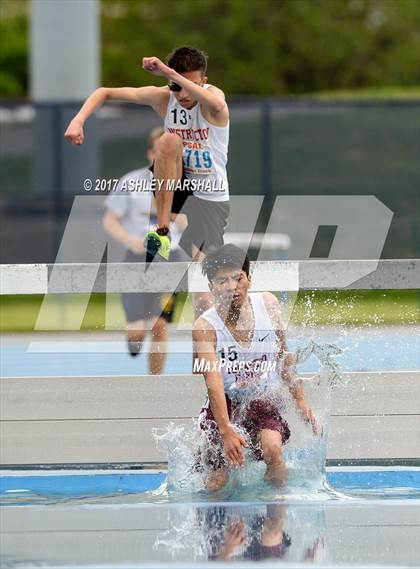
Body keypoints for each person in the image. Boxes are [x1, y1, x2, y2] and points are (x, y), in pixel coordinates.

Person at [65, 46, 230, 315]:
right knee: (167, 141)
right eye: (176, 87)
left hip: (209, 198)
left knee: (205, 299)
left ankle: (216, 340)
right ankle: (162, 230)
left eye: (190, 86)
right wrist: (78, 120)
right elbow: (105, 92)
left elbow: (219, 105)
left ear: (204, 81)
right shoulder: (164, 99)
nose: (183, 95)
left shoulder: (213, 97)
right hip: (176, 186)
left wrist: (167, 72)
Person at [192, 244, 317, 491]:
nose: (231, 287)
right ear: (211, 287)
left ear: (249, 278)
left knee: (273, 451)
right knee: (217, 479)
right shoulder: (204, 327)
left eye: (238, 278)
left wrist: (300, 400)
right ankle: (214, 523)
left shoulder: (268, 304)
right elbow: (213, 383)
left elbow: (283, 354)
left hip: (260, 398)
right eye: (222, 281)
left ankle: (276, 521)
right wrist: (226, 430)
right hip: (225, 402)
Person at [103, 126, 187, 373]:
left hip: (170, 258)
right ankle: (134, 337)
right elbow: (109, 220)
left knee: (159, 325)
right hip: (137, 259)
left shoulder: (186, 184)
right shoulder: (130, 182)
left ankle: (154, 381)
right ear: (151, 153)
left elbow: (198, 220)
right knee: (137, 331)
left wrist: (183, 219)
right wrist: (131, 242)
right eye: (160, 153)